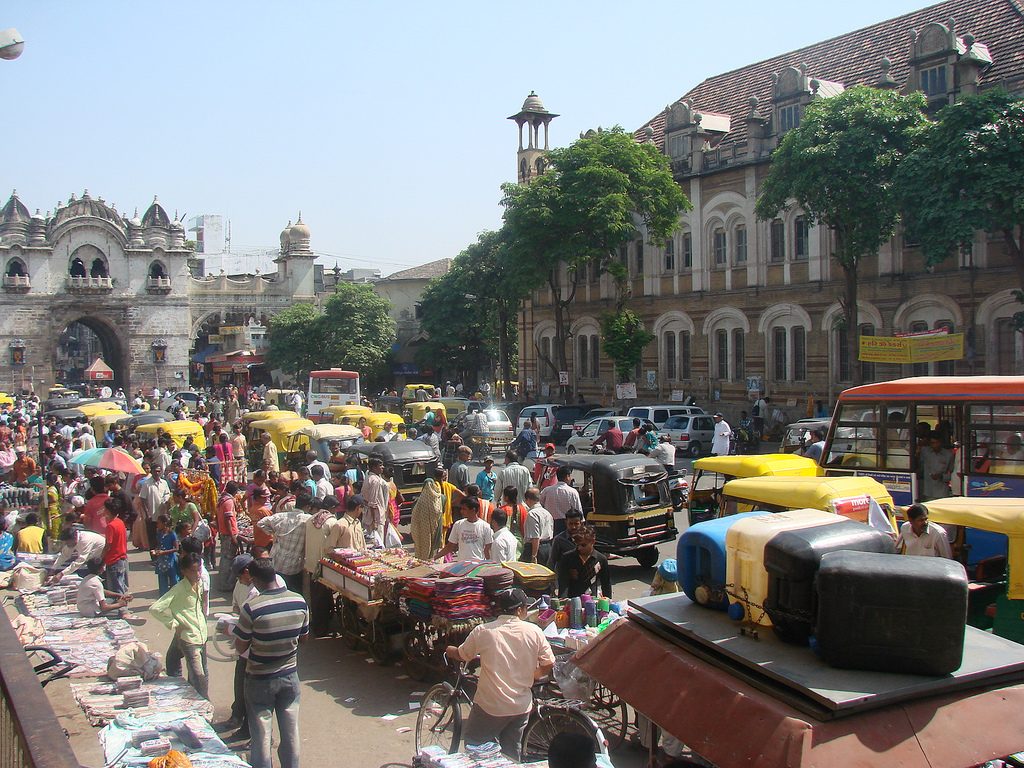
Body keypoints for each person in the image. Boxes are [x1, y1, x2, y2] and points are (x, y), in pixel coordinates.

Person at [444, 588, 555, 760]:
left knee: (475, 744)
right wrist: (534, 675)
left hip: (491, 706)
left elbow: (462, 654)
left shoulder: (484, 631)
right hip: (521, 706)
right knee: (511, 753)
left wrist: (449, 650)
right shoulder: (534, 631)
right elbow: (548, 662)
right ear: (519, 610)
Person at [234, 557, 309, 768]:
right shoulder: (299, 601)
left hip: (259, 679)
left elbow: (240, 647)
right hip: (289, 675)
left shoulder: (252, 607)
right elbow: (303, 638)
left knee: (261, 735)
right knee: (291, 732)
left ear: (255, 580)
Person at [150, 552, 209, 698]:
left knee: (178, 660)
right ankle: (203, 701)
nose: (197, 574)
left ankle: (185, 691)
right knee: (198, 675)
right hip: (189, 637)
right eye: (193, 571)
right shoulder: (178, 589)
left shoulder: (200, 584)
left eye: (199, 570)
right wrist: (174, 623)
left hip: (201, 634)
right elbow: (155, 608)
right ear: (184, 571)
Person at [258, 493, 312, 594]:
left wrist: (273, 532)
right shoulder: (308, 520)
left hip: (276, 562)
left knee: (276, 591)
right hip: (294, 566)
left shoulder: (281, 516)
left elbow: (261, 523)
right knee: (294, 593)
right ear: (307, 507)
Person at [557, 526, 611, 599]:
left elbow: (606, 584)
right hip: (572, 600)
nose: (579, 548)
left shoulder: (601, 559)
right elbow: (563, 583)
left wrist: (607, 601)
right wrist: (563, 600)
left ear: (592, 542)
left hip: (592, 600)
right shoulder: (567, 558)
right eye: (577, 545)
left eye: (583, 545)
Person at [438, 496, 493, 561]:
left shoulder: (486, 527)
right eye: (461, 508)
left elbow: (488, 549)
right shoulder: (458, 525)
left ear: (473, 510)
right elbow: (450, 546)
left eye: (464, 509)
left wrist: (489, 565)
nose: (461, 511)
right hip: (462, 566)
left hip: (478, 566)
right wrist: (435, 558)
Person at [135, 464, 171, 552]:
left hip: (162, 514)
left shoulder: (164, 483)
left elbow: (167, 494)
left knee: (162, 536)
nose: (157, 473)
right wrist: (147, 514)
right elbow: (142, 499)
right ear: (152, 472)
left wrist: (166, 500)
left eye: (159, 471)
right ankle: (153, 556)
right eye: (155, 471)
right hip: (151, 515)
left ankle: (161, 555)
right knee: (152, 537)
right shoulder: (147, 484)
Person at [540, 466, 583, 536]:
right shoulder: (572, 492)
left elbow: (540, 504)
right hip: (566, 524)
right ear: (567, 476)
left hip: (549, 523)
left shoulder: (546, 490)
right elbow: (578, 510)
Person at [101, 498, 130, 597]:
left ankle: (122, 610)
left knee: (115, 589)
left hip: (113, 560)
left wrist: (101, 557)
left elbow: (108, 545)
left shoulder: (110, 526)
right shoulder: (120, 522)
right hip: (122, 559)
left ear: (108, 511)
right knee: (120, 585)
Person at [217, 481, 241, 591]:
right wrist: (233, 536)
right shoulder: (229, 501)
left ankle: (224, 583)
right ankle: (225, 585)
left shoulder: (222, 499)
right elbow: (228, 520)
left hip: (224, 533)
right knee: (227, 560)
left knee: (225, 558)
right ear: (235, 491)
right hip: (228, 534)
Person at [523, 487, 554, 565]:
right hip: (548, 547)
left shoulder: (532, 514)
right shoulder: (547, 513)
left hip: (535, 549)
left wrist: (534, 556)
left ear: (528, 499)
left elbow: (535, 537)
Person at [151, 514, 180, 595]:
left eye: (159, 523)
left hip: (170, 561)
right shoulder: (159, 534)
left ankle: (175, 598)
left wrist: (164, 552)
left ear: (165, 523)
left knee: (174, 581)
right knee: (162, 581)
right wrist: (156, 551)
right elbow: (159, 545)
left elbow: (176, 548)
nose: (157, 525)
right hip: (161, 562)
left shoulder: (172, 534)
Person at [920, 432, 954, 501]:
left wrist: (941, 476)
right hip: (928, 490)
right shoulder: (925, 452)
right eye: (932, 443)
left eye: (937, 443)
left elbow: (952, 472)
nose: (935, 445)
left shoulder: (948, 455)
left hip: (942, 491)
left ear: (941, 442)